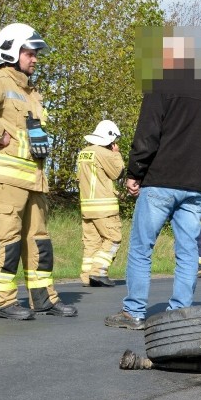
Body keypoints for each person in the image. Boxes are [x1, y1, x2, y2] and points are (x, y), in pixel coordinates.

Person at [105, 26, 201, 330]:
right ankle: (180, 314)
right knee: (187, 252)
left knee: (142, 248)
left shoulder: (159, 87)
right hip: (195, 188)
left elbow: (147, 135)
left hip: (159, 182)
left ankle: (133, 312)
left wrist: (135, 172)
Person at [0, 23, 76, 320]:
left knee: (39, 241)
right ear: (12, 50)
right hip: (6, 179)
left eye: (36, 54)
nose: (35, 59)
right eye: (30, 53)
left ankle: (43, 298)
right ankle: (1, 300)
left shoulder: (30, 91)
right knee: (4, 239)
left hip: (33, 180)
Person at [78, 120, 124, 287]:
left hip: (87, 207)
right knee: (113, 238)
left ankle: (86, 276)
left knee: (92, 242)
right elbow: (117, 173)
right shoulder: (104, 153)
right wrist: (116, 154)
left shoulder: (83, 152)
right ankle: (99, 271)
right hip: (104, 207)